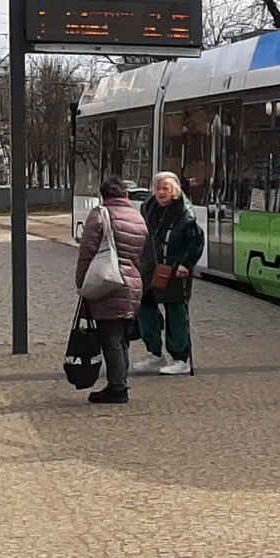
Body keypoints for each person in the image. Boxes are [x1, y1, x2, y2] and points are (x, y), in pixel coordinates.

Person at [74, 176, 145, 404]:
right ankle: (120, 382)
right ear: (125, 194)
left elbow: (87, 251)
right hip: (133, 283)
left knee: (110, 339)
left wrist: (82, 283)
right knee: (121, 337)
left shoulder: (101, 215)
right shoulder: (137, 216)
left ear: (104, 196)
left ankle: (117, 388)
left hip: (109, 283)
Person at [135, 171, 205, 377]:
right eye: (158, 188)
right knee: (145, 306)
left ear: (174, 190)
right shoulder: (149, 208)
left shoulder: (185, 214)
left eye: (165, 188)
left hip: (175, 271)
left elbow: (196, 241)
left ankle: (180, 358)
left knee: (176, 312)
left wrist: (186, 263)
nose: (161, 192)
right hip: (149, 268)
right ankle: (154, 353)